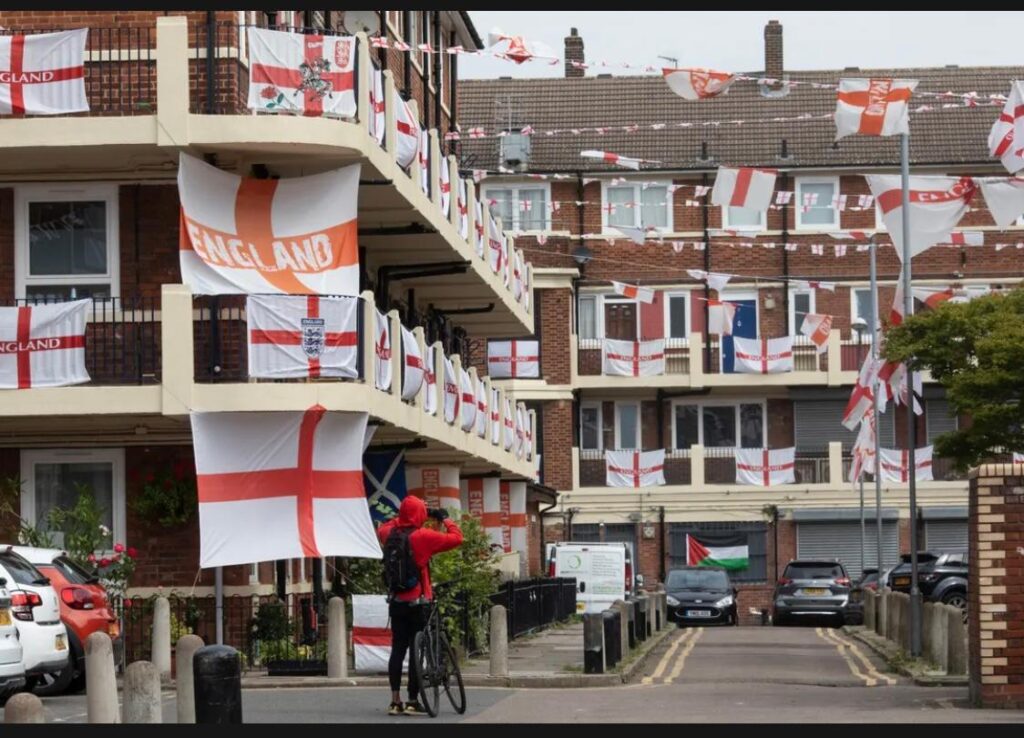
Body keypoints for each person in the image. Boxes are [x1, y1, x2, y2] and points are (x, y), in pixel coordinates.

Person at [376, 495, 463, 716]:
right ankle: (414, 700)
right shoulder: (423, 537)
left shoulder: (389, 534)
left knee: (398, 650)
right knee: (419, 651)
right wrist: (444, 519)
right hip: (419, 602)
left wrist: (403, 517)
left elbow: (386, 525)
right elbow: (456, 538)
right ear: (420, 515)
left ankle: (395, 701)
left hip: (396, 601)